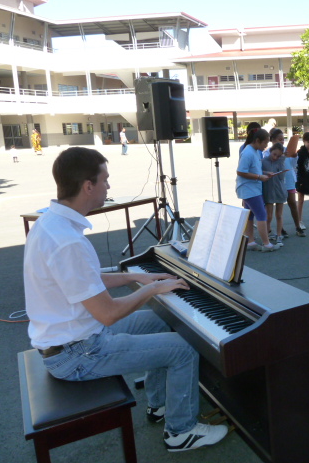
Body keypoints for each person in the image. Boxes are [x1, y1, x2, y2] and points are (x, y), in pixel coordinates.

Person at [23, 147, 228, 452]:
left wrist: (138, 278)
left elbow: (85, 281)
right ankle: (181, 432)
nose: (109, 187)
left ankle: (159, 404)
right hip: (77, 354)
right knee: (184, 349)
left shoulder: (50, 224)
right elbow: (108, 314)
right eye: (105, 180)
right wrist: (151, 290)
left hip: (74, 338)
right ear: (88, 186)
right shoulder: (67, 242)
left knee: (160, 321)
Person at [236, 128, 279, 252]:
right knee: (261, 214)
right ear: (258, 141)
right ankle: (266, 243)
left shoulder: (254, 151)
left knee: (250, 215)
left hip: (251, 188)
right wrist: (259, 177)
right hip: (249, 189)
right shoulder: (248, 152)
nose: (266, 146)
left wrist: (264, 173)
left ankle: (251, 241)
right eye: (265, 143)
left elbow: (253, 169)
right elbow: (241, 171)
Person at [267, 129, 304, 238]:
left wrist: (294, 156)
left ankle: (298, 226)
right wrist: (281, 156)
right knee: (279, 206)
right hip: (277, 182)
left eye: (283, 139)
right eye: (280, 139)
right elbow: (270, 166)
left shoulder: (286, 150)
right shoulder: (268, 152)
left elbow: (293, 164)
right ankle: (280, 228)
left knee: (292, 203)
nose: (282, 142)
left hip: (289, 180)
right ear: (273, 140)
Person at [262, 142, 287, 248]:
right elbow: (259, 172)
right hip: (268, 190)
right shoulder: (264, 161)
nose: (275, 157)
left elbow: (282, 177)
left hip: (279, 190)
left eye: (278, 155)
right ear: (270, 151)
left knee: (279, 215)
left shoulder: (280, 161)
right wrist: (266, 173)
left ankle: (279, 235)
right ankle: (267, 234)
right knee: (269, 215)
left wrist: (281, 161)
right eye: (274, 154)